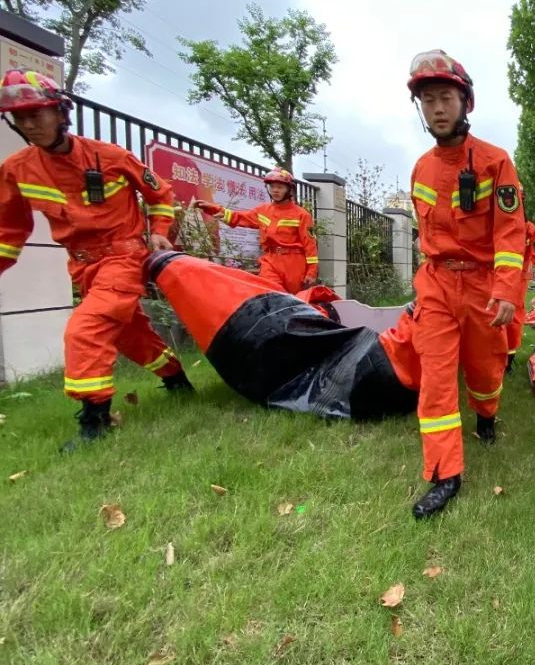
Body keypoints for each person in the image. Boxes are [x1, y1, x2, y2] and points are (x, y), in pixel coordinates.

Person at [0, 69, 194, 451]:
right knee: (130, 334)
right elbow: (8, 232)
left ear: (59, 112)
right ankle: (177, 381)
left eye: (36, 114)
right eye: (20, 118)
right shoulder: (16, 171)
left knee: (85, 330)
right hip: (83, 265)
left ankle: (95, 422)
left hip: (124, 256)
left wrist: (159, 228)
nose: (29, 124)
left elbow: (159, 193)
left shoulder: (111, 157)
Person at [406, 49, 526, 520]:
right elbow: (425, 234)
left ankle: (487, 415)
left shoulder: (497, 163)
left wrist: (505, 291)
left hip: (481, 287)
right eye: (429, 99)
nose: (437, 108)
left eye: (446, 98)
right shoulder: (419, 169)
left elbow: (510, 234)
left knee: (485, 368)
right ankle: (444, 473)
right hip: (436, 284)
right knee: (435, 378)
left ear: (466, 103)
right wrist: (423, 290)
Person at [194, 168, 319, 294]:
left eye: (280, 187)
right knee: (270, 295)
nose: (275, 190)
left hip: (294, 264)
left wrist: (312, 271)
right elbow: (239, 217)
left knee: (294, 301)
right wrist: (213, 209)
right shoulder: (263, 210)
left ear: (288, 190)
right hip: (270, 261)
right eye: (272, 187)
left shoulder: (302, 215)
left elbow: (310, 245)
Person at [505, 217, 535, 375]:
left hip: (517, 282)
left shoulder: (528, 228)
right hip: (488, 278)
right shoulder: (491, 221)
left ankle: (507, 363)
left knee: (513, 323)